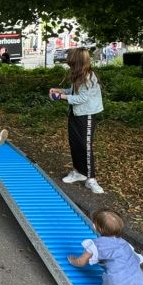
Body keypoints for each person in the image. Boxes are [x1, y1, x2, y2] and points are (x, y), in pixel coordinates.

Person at [49, 47, 104, 194]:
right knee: (75, 144)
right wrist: (59, 91)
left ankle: (91, 179)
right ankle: (78, 171)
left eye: (71, 63)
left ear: (77, 62)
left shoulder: (89, 76)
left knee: (85, 146)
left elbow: (82, 98)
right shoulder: (78, 75)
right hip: (75, 113)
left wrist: (61, 97)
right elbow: (74, 92)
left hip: (87, 115)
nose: (69, 65)